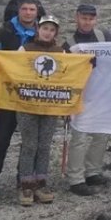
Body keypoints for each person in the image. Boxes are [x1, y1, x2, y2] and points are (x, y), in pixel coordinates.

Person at [0, 0, 44, 203]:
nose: (28, 13)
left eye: (32, 10)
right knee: (0, 140)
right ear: (18, 11)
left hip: (30, 96)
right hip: (7, 95)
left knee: (30, 141)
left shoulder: (42, 34)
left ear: (37, 12)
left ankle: (23, 181)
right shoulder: (5, 33)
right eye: (24, 9)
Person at [15, 15, 69, 206]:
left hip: (50, 105)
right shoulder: (25, 49)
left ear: (56, 33)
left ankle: (41, 183)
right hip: (26, 105)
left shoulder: (60, 52)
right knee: (30, 144)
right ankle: (26, 185)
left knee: (45, 144)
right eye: (45, 28)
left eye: (52, 30)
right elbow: (12, 68)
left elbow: (68, 75)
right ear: (38, 29)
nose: (48, 32)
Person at [66, 3, 111, 196]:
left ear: (96, 19)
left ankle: (93, 171)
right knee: (79, 137)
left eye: (91, 18)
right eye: (84, 18)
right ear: (77, 18)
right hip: (80, 95)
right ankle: (76, 179)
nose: (87, 22)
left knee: (101, 135)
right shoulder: (69, 43)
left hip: (101, 94)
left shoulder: (105, 37)